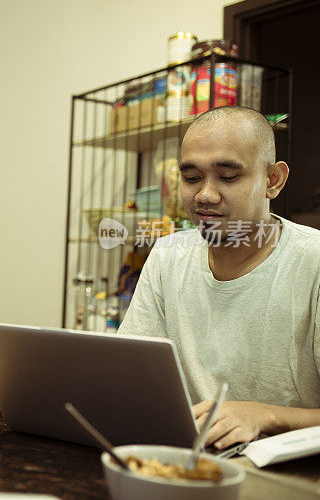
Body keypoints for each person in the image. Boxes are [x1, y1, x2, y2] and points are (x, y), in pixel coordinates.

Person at [119, 106, 320, 451]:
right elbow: (128, 378)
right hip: (186, 460)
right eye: (192, 178)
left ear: (273, 180)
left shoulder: (312, 261)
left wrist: (263, 416)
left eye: (227, 177)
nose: (205, 195)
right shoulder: (169, 254)